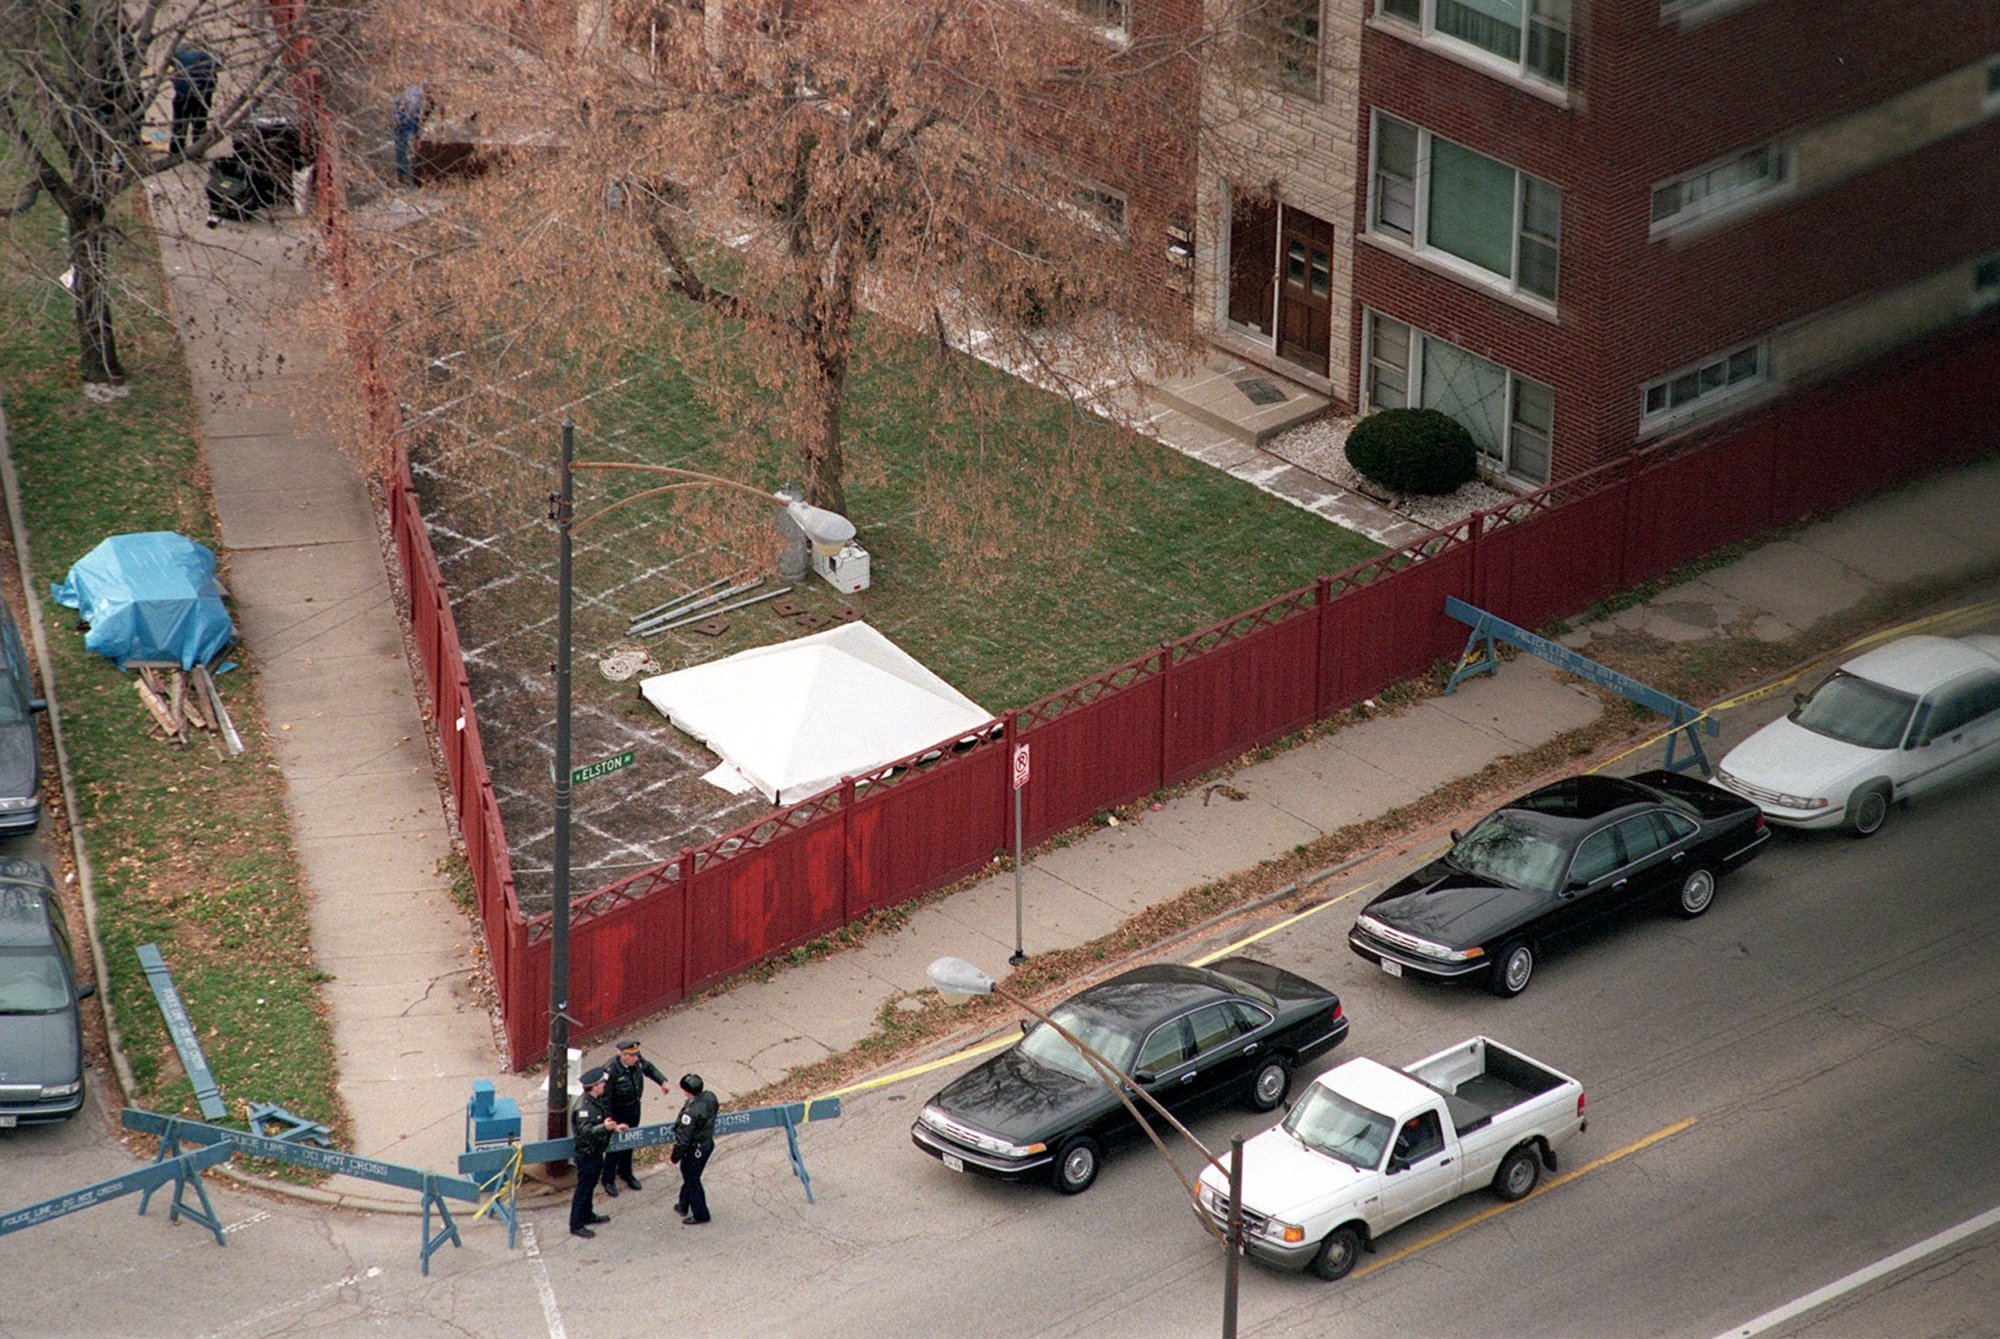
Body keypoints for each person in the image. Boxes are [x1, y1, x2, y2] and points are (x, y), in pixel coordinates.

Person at [598, 1039, 669, 1198]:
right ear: (623, 1055)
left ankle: (626, 1172)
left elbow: (649, 1068)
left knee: (630, 1142)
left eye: (637, 1055)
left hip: (634, 1109)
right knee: (615, 1147)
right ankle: (608, 1179)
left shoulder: (637, 1061)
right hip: (618, 1114)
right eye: (632, 1056)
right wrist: (610, 1121)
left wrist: (662, 1081)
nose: (636, 1058)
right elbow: (605, 1098)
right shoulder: (610, 1070)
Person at [569, 1067, 627, 1239]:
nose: (604, 1085)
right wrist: (604, 1127)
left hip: (596, 1151)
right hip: (587, 1154)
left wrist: (614, 1128)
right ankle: (576, 1223)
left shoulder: (596, 1101)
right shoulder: (583, 1107)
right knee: (583, 1189)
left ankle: (587, 1214)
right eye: (602, 1082)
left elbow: (603, 1121)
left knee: (590, 1186)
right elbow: (585, 1131)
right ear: (594, 1086)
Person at [671, 1072, 718, 1225]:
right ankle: (683, 1204)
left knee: (692, 1180)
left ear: (686, 1091)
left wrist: (675, 1156)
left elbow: (683, 1140)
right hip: (706, 1144)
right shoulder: (710, 1097)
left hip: (695, 1149)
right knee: (691, 1176)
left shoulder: (690, 1114)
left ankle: (701, 1214)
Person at [169, 46, 219, 155]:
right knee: (200, 123)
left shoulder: (180, 51)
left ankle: (176, 150)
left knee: (179, 122)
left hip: (182, 92)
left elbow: (171, 62)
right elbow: (219, 66)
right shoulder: (211, 55)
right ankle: (198, 151)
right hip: (203, 93)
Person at [392, 85, 425, 184]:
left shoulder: (417, 91)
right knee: (404, 148)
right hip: (407, 122)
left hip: (413, 121)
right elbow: (397, 105)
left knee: (411, 148)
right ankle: (403, 174)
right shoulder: (412, 92)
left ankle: (409, 174)